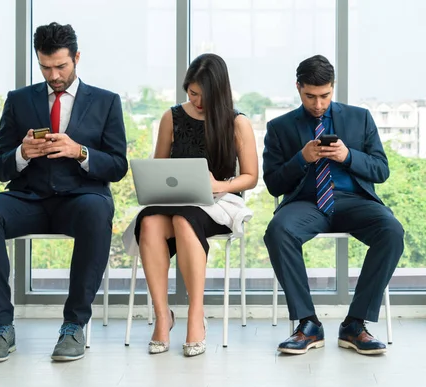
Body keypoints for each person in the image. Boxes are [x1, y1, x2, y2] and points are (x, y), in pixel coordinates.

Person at [0, 22, 127, 364]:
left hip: (81, 199)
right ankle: (0, 327)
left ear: (77, 58)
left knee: (98, 212)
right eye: (45, 66)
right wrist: (22, 154)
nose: (53, 75)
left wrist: (79, 152)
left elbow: (117, 166)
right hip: (29, 199)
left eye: (61, 66)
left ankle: (73, 325)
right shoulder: (19, 100)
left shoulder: (107, 102)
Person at [263, 55, 404, 356]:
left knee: (392, 230)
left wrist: (347, 156)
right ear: (298, 88)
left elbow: (381, 170)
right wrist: (302, 158)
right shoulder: (279, 127)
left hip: (354, 202)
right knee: (278, 230)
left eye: (325, 95)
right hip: (307, 204)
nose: (318, 104)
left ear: (333, 88)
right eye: (310, 96)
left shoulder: (360, 117)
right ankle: (308, 324)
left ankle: (355, 324)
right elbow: (274, 184)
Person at [130, 53, 258, 357]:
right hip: (175, 200)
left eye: (204, 95)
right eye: (192, 93)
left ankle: (196, 315)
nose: (197, 101)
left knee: (184, 220)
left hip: (217, 202)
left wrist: (222, 185)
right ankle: (163, 317)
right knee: (148, 221)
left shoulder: (238, 123)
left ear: (220, 91)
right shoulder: (171, 117)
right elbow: (158, 166)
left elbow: (251, 177)